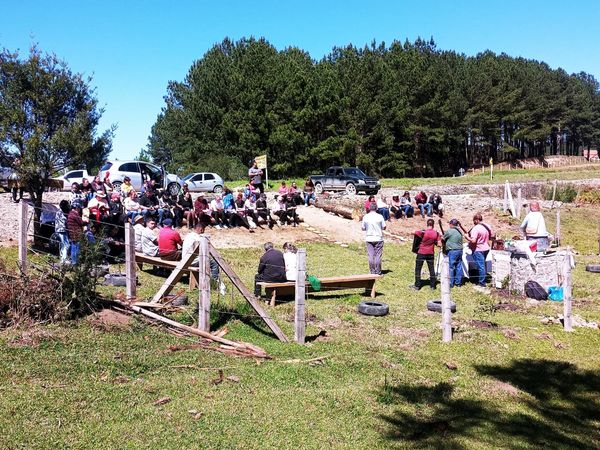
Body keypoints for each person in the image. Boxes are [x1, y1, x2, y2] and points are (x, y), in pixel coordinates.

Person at [181, 223, 224, 292]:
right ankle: (214, 282)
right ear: (201, 229)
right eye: (203, 230)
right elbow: (206, 249)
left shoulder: (189, 235)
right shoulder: (198, 238)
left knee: (207, 260)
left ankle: (208, 279)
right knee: (215, 263)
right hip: (192, 261)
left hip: (185, 259)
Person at [463, 213, 494, 287]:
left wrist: (467, 237)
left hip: (478, 249)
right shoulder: (487, 226)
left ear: (476, 220)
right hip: (486, 247)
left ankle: (481, 283)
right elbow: (492, 236)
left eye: (474, 221)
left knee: (481, 266)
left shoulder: (476, 228)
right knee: (482, 265)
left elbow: (473, 241)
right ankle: (481, 278)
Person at [411, 218, 441, 290]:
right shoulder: (436, 233)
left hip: (421, 252)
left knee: (418, 269)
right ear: (433, 225)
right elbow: (439, 244)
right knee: (431, 269)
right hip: (430, 253)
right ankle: (433, 285)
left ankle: (417, 285)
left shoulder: (423, 232)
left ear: (427, 224)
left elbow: (412, 232)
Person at [361, 203, 386, 275]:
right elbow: (384, 227)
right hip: (378, 238)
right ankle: (378, 271)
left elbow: (363, 228)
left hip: (369, 238)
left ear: (369, 208)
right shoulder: (380, 216)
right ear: (376, 208)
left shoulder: (366, 217)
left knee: (370, 255)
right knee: (378, 255)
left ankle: (372, 271)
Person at [443, 219, 464, 287]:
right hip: (460, 250)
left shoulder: (449, 231)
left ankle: (451, 283)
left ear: (452, 224)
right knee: (459, 266)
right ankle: (458, 283)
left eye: (450, 224)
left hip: (452, 250)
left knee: (451, 267)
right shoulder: (459, 231)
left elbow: (443, 238)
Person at [54, 200, 71, 265]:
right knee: (66, 244)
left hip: (59, 229)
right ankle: (63, 260)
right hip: (62, 230)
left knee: (62, 244)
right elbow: (65, 221)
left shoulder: (59, 211)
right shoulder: (62, 212)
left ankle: (63, 258)